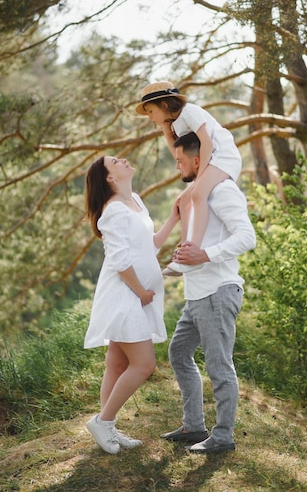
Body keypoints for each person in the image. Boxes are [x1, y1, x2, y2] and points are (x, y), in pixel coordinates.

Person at [160, 132, 256, 454]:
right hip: (197, 295)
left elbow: (247, 237)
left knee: (219, 366)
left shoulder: (222, 190)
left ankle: (223, 437)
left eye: (180, 160)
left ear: (197, 160)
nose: (177, 167)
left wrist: (205, 255)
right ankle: (194, 426)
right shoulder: (196, 197)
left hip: (217, 292)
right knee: (178, 352)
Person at [84, 155, 180, 454]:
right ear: (109, 178)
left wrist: (174, 218)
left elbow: (149, 245)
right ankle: (103, 421)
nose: (123, 159)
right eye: (115, 161)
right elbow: (119, 260)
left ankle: (107, 428)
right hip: (125, 295)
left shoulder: (135, 200)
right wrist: (141, 292)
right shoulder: (112, 211)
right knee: (144, 364)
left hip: (136, 295)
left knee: (117, 362)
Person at [135, 81, 242, 276]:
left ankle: (194, 250)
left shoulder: (190, 112)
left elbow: (207, 144)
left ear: (164, 105)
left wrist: (199, 180)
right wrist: (167, 131)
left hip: (223, 157)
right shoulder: (175, 123)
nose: (149, 117)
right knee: (183, 201)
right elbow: (179, 153)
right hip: (208, 162)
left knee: (198, 195)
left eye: (150, 111)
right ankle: (184, 254)